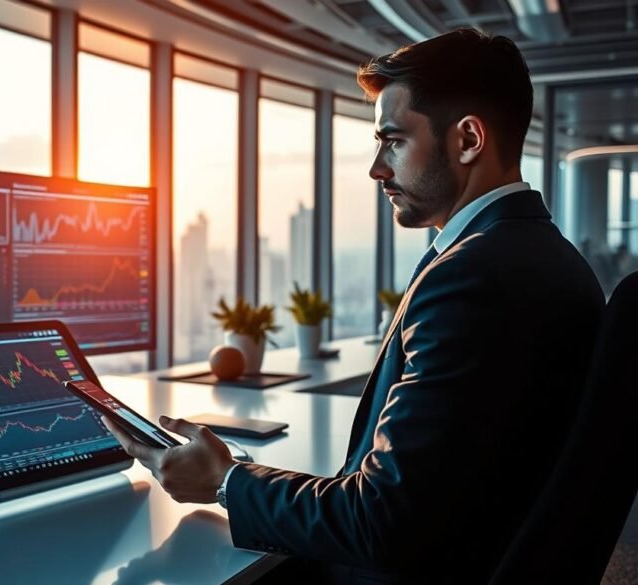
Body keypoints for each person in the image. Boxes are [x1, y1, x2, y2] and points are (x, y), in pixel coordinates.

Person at [103, 29, 605, 584]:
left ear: (467, 140)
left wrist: (224, 482)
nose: (377, 169)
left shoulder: (475, 277)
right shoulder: (554, 260)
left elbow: (380, 522)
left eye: (393, 141)